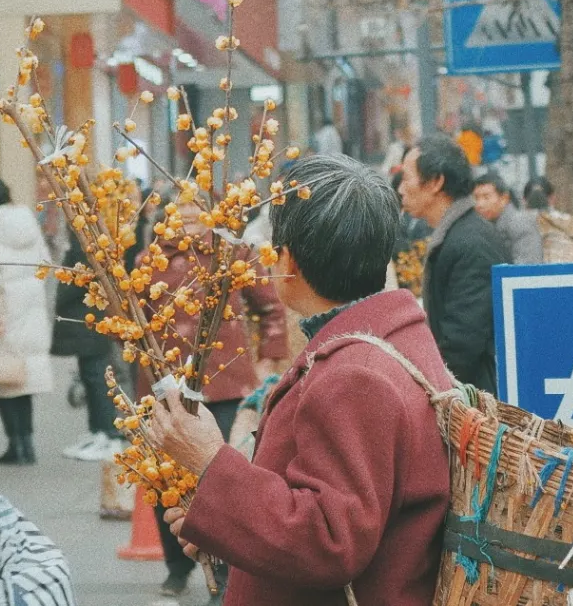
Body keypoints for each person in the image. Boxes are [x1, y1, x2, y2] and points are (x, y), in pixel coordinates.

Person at [149, 154, 452, 606]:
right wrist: (226, 521)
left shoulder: (355, 375)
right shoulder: (391, 338)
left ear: (286, 259)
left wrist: (210, 460)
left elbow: (329, 540)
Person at [142, 200, 289, 600]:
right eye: (180, 212)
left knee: (220, 477)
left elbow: (270, 305)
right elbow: (129, 321)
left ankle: (221, 573)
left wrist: (267, 358)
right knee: (164, 484)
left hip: (224, 384)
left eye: (195, 211)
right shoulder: (148, 259)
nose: (188, 220)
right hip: (164, 389)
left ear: (209, 214)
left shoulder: (232, 252)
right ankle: (175, 567)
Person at [399, 133, 509, 393]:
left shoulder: (470, 243)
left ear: (436, 182)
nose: (401, 189)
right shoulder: (457, 234)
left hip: (478, 403)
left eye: (406, 178)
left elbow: (461, 346)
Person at [0, 175, 54, 466]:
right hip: (31, 304)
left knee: (5, 378)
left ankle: (14, 444)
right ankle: (27, 444)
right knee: (24, 379)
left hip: (6, 306)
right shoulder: (27, 220)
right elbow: (45, 261)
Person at [52, 232, 126, 463]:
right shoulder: (83, 232)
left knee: (97, 377)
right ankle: (98, 433)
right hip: (87, 317)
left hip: (90, 316)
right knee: (92, 375)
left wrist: (60, 294)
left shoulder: (86, 234)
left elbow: (83, 274)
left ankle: (108, 435)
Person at [473, 171, 544, 264]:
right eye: (476, 198)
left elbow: (528, 265)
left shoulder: (519, 223)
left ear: (504, 199)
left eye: (486, 197)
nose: (479, 204)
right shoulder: (484, 224)